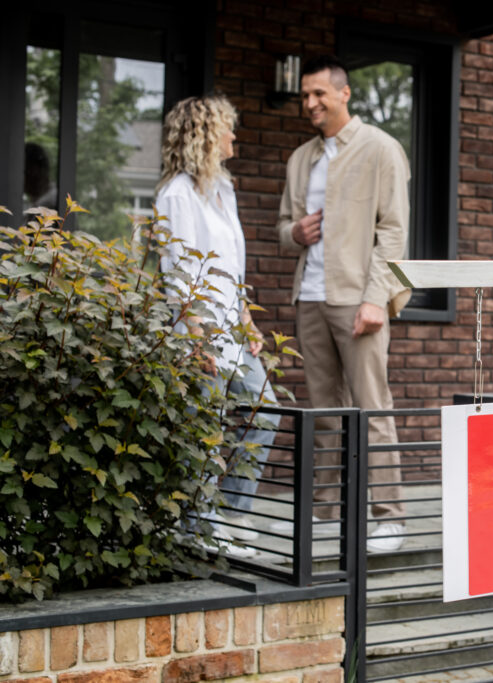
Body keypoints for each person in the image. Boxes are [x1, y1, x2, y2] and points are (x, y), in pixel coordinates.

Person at [276, 55, 410, 553]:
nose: (310, 103)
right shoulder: (299, 159)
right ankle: (324, 517)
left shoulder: (380, 149)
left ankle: (390, 518)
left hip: (358, 299)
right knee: (324, 414)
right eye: (305, 96)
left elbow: (394, 230)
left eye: (319, 94)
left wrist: (377, 298)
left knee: (373, 407)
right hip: (309, 298)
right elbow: (283, 227)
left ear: (344, 94)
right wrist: (294, 232)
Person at [155, 94, 281, 550]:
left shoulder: (223, 190)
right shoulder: (176, 195)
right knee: (203, 426)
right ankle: (199, 526)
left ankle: (226, 513)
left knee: (262, 409)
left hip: (231, 325)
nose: (234, 135)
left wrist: (246, 317)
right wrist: (196, 336)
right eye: (227, 127)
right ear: (206, 135)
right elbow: (179, 271)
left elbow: (231, 264)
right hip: (198, 332)